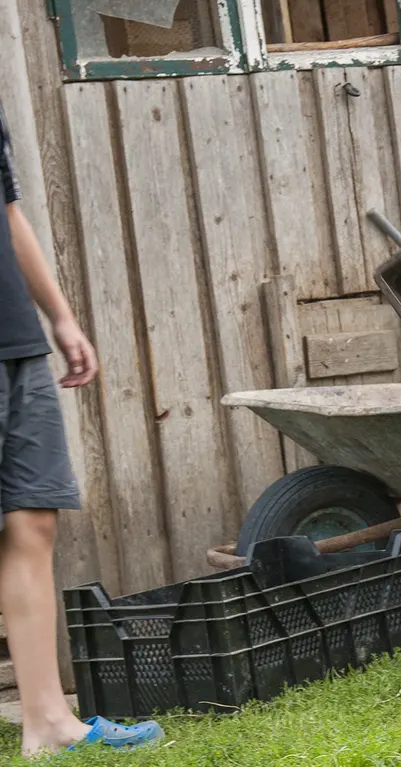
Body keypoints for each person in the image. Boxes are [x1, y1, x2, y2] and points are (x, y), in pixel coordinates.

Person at [0, 108, 163, 755]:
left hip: (15, 337)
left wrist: (60, 319)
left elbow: (7, 211)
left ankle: (47, 720)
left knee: (33, 518)